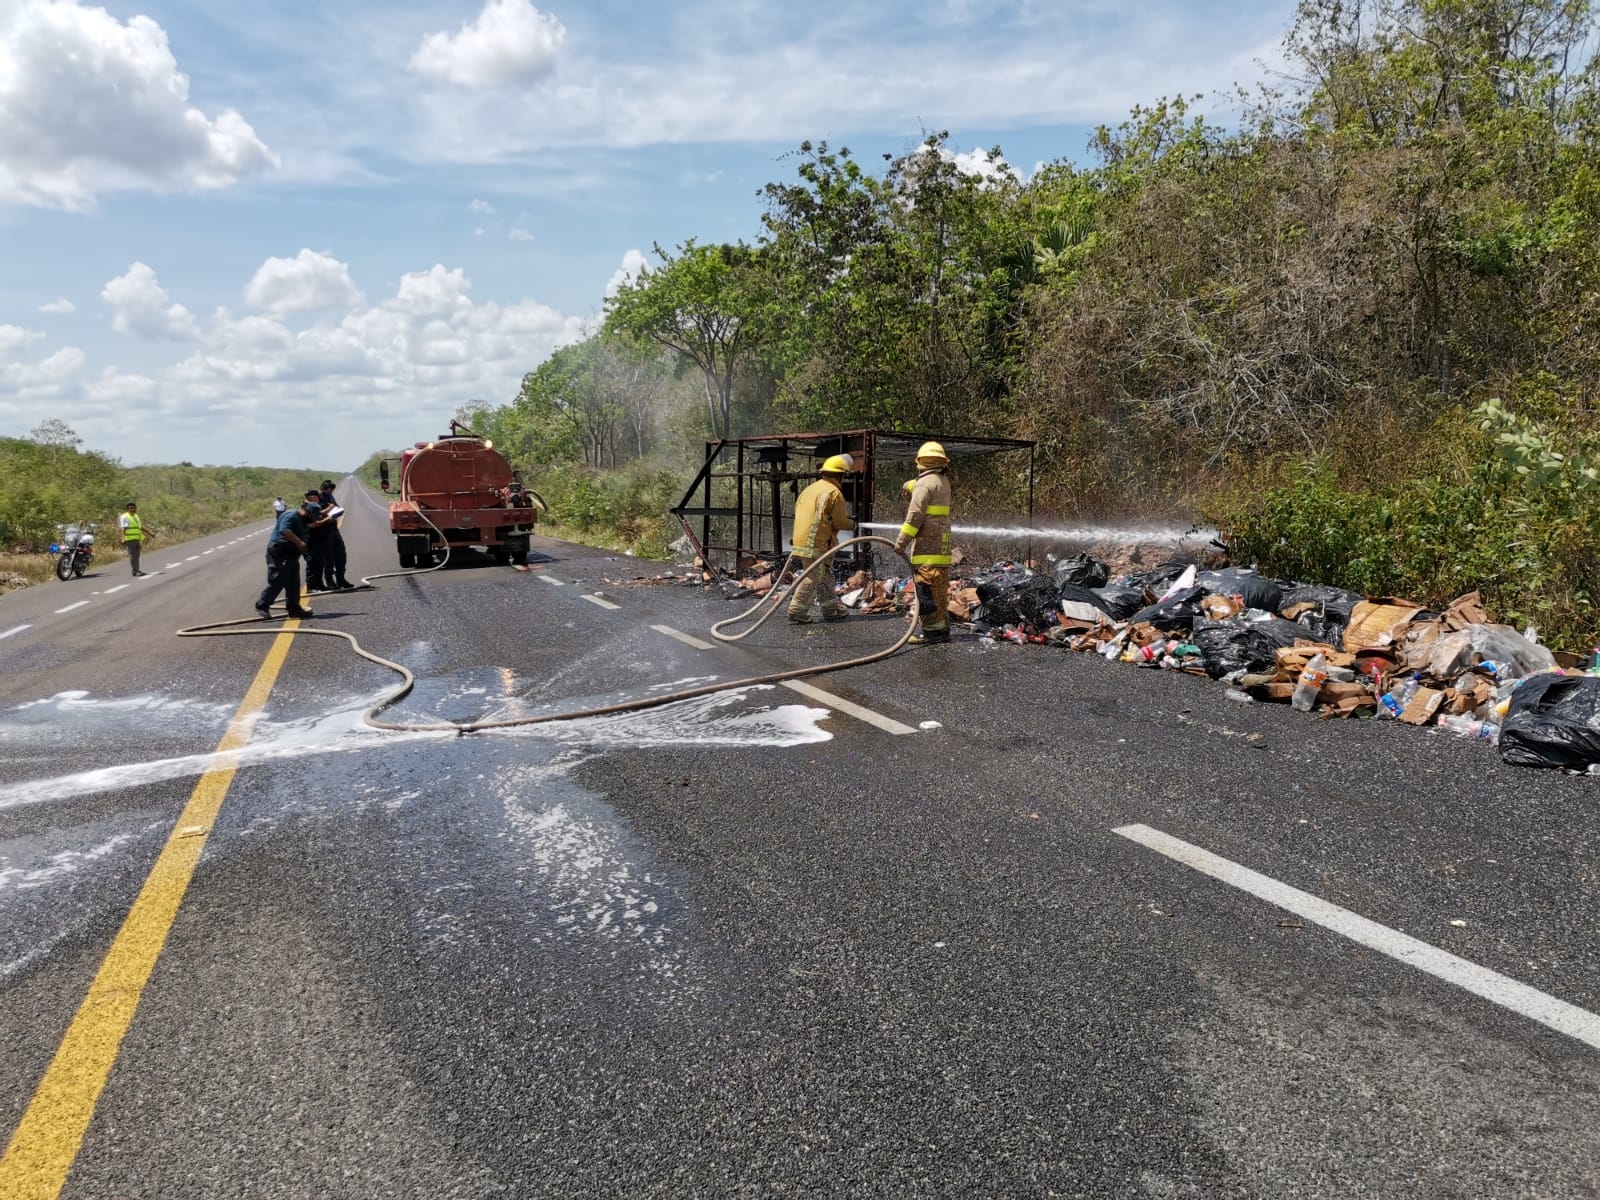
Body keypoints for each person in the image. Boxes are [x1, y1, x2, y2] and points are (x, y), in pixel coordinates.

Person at [893, 441, 954, 644]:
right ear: (943, 462)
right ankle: (942, 629)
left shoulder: (923, 484)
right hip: (942, 548)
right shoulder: (943, 481)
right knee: (939, 591)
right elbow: (927, 486)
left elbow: (914, 517)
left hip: (927, 549)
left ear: (919, 462)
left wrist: (901, 542)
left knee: (927, 591)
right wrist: (911, 485)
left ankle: (932, 633)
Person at [787, 454, 856, 624]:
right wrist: (853, 524)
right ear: (841, 475)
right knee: (813, 576)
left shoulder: (810, 489)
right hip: (816, 543)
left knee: (824, 576)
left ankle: (830, 610)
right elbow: (840, 522)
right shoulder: (834, 493)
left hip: (801, 541)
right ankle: (797, 610)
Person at [256, 498, 317, 618]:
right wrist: (300, 543)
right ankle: (262, 605)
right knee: (278, 579)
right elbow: (285, 530)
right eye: (312, 516)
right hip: (280, 552)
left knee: (293, 583)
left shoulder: (304, 519)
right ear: (306, 511)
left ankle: (294, 609)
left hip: (292, 553)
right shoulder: (290, 515)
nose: (313, 519)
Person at [317, 479, 354, 589]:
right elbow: (317, 514)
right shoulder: (317, 499)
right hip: (324, 531)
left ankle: (341, 579)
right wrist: (329, 512)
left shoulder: (329, 497)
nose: (330, 492)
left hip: (333, 529)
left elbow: (336, 508)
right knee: (329, 557)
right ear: (322, 489)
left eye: (331, 491)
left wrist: (337, 511)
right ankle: (330, 581)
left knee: (340, 554)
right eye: (328, 490)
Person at [118, 502, 145, 576]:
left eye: (134, 508)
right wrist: (123, 538)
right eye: (131, 508)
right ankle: (136, 571)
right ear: (128, 509)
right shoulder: (125, 516)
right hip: (129, 539)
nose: (133, 509)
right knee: (132, 555)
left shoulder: (136, 516)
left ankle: (135, 570)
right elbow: (123, 528)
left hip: (136, 539)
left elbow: (140, 527)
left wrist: (150, 533)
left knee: (137, 555)